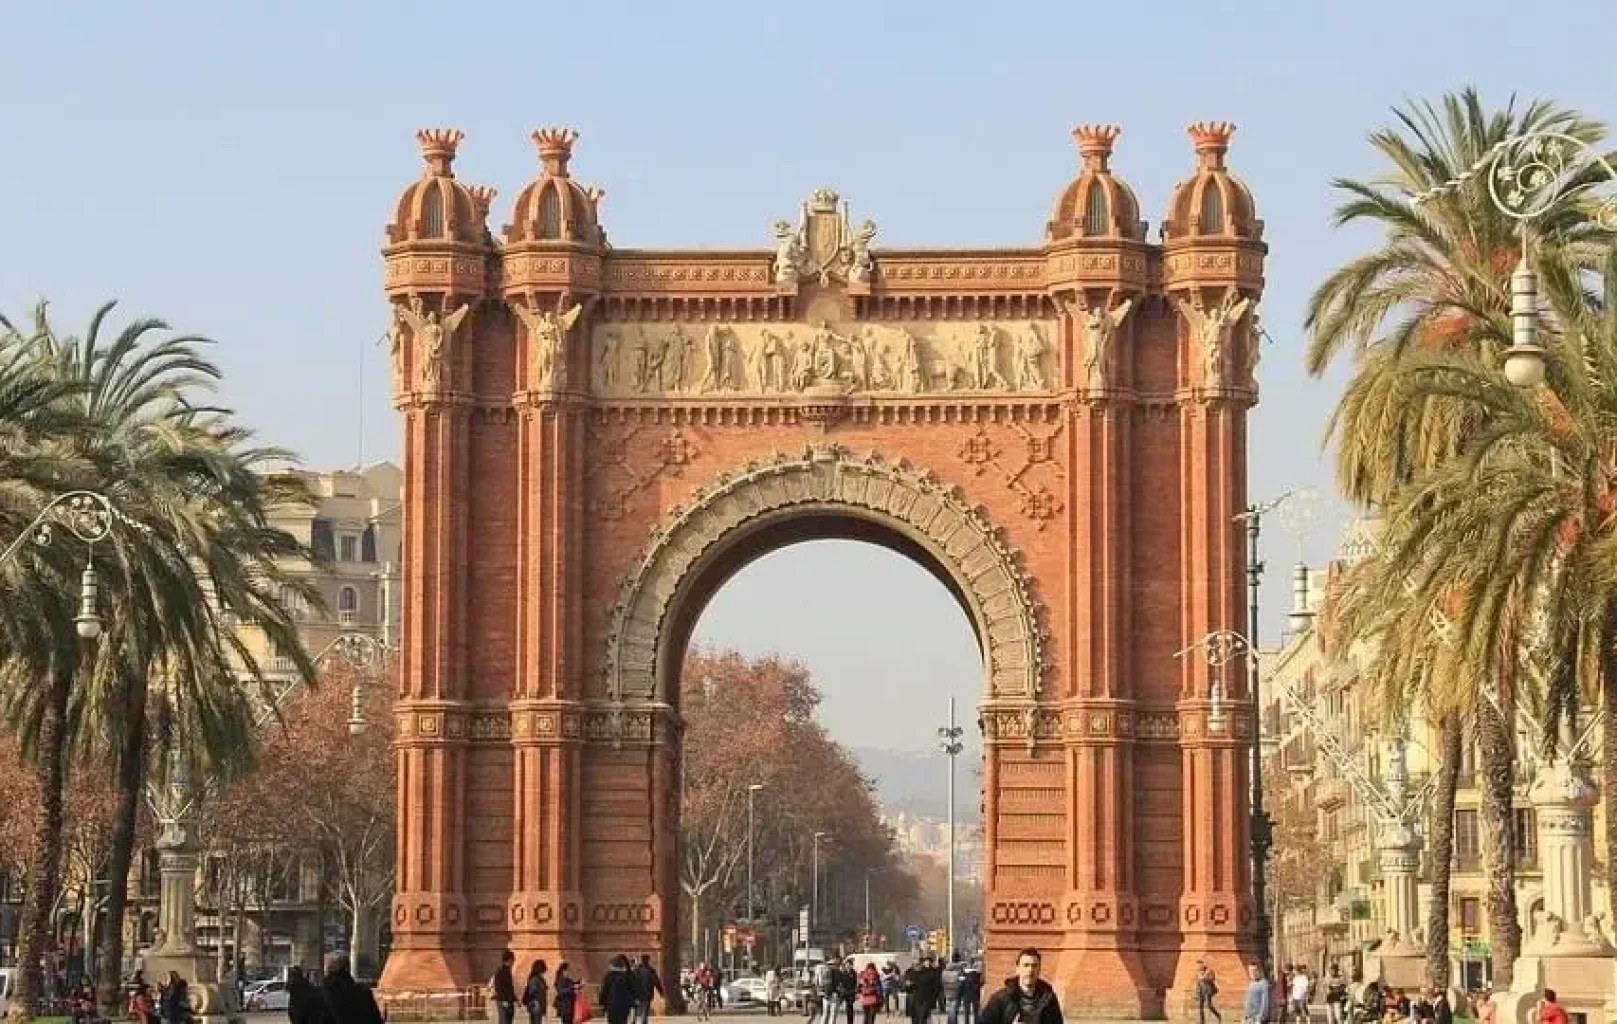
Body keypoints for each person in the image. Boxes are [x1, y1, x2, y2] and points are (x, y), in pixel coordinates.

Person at [975, 948, 1062, 1024]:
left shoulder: (1049, 999)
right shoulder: (1000, 999)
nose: (1030, 970)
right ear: (1018, 968)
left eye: (1034, 966)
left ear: (1039, 969)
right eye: (1026, 965)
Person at [323, 954, 384, 1024]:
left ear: (328, 970)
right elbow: (376, 1020)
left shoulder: (323, 994)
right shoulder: (364, 993)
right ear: (348, 968)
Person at [599, 955, 638, 1024]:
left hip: (611, 1006)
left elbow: (604, 991)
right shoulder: (628, 976)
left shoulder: (609, 976)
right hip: (624, 1006)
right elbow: (633, 990)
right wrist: (633, 1004)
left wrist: (602, 1003)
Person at [631, 955, 662, 1024]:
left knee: (635, 1008)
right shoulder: (651, 970)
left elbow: (631, 981)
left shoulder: (636, 970)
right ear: (648, 960)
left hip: (636, 994)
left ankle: (633, 1021)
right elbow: (656, 982)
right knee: (644, 1011)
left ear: (641, 960)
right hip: (647, 994)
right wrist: (660, 991)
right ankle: (643, 1022)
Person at [492, 950, 520, 1024]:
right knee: (505, 1021)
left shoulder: (506, 971)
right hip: (504, 1001)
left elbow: (509, 988)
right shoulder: (501, 971)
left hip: (507, 1000)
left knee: (507, 1021)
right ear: (509, 960)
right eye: (513, 960)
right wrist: (504, 1001)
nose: (513, 962)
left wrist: (515, 999)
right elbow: (499, 987)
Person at [524, 960, 550, 1024]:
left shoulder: (538, 978)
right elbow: (532, 992)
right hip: (536, 1005)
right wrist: (536, 1003)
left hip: (537, 1005)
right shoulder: (535, 979)